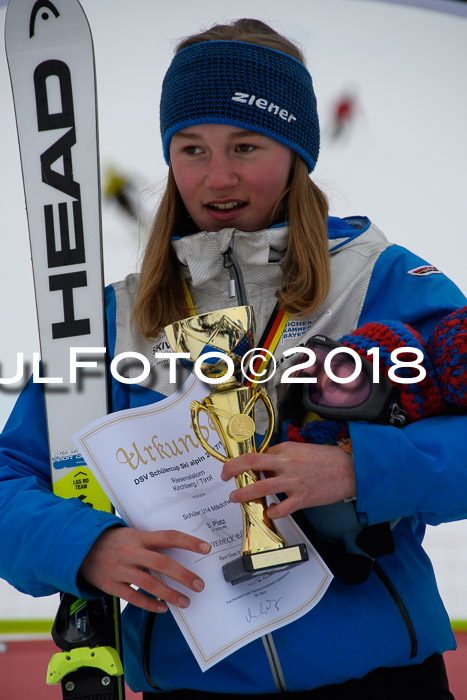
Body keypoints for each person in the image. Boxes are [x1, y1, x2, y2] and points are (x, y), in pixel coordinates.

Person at [1, 17, 466, 700]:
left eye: (245, 146)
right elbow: (12, 475)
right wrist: (83, 546)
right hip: (194, 678)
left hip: (378, 676)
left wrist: (355, 469)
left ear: (294, 153)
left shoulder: (382, 281)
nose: (216, 176)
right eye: (190, 149)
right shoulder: (109, 320)